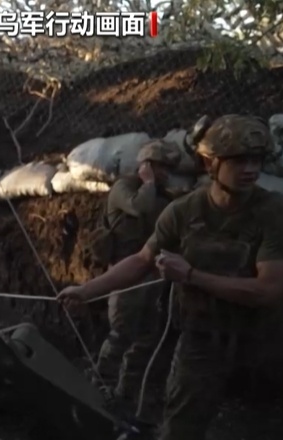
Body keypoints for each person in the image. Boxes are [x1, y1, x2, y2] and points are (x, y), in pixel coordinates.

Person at [59, 114, 283, 440]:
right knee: (179, 430)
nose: (250, 169)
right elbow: (141, 260)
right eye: (238, 160)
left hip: (265, 334)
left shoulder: (277, 214)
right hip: (203, 341)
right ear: (210, 163)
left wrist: (191, 275)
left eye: (256, 160)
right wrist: (87, 290)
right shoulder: (183, 211)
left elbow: (268, 290)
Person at [93, 139, 180, 405]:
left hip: (151, 274)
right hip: (124, 271)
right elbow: (139, 206)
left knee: (146, 336)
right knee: (120, 333)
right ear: (146, 166)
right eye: (160, 167)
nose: (166, 173)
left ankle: (126, 392)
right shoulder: (125, 187)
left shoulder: (164, 197)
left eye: (168, 168)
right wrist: (148, 182)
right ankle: (99, 387)